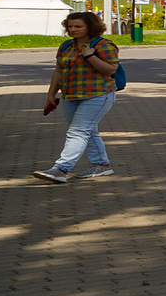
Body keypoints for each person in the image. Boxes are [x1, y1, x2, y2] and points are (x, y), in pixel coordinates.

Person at [35, 11, 120, 183]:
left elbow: (111, 69)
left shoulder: (103, 45)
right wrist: (51, 94)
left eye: (78, 26)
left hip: (97, 95)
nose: (73, 29)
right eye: (70, 26)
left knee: (78, 131)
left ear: (90, 27)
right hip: (71, 96)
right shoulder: (66, 46)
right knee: (88, 131)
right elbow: (59, 71)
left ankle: (60, 169)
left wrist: (89, 55)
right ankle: (101, 165)